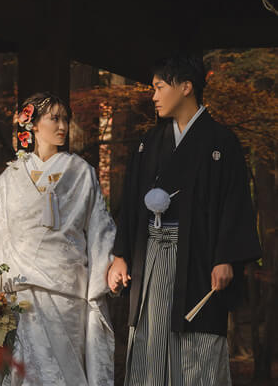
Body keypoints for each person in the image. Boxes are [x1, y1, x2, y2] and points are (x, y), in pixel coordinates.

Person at [107, 54, 261, 386]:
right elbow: (134, 202)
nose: (154, 96)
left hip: (199, 260)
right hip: (150, 255)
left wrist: (225, 258)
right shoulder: (149, 143)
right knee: (150, 341)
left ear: (186, 87)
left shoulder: (222, 142)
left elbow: (235, 203)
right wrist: (120, 255)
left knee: (196, 352)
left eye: (160, 87)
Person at [0, 91, 116, 386]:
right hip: (16, 295)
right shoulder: (10, 177)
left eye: (65, 119)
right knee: (17, 371)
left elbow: (101, 228)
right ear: (32, 125)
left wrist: (106, 272)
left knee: (64, 372)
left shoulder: (82, 172)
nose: (63, 126)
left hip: (65, 292)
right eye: (54, 118)